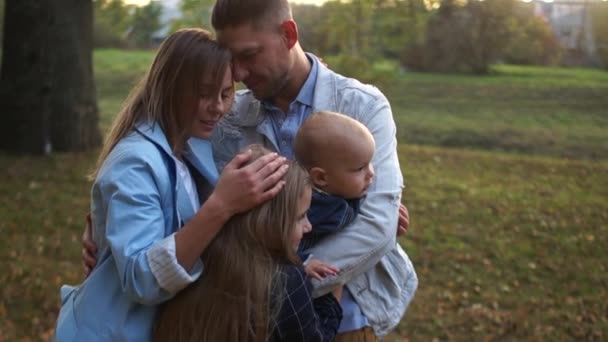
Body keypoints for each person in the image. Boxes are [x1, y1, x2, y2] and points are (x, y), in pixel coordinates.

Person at [55, 28, 287, 341]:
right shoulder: (135, 161)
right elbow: (143, 279)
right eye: (204, 94)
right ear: (170, 88)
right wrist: (221, 205)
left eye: (225, 93)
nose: (217, 107)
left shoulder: (192, 145)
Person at [209, 0, 418, 339]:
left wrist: (278, 286)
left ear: (288, 34)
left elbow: (376, 225)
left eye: (248, 55)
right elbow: (210, 213)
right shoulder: (229, 118)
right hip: (256, 327)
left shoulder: (362, 106)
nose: (238, 73)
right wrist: (101, 224)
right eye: (230, 59)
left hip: (347, 322)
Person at [154, 145, 343, 342]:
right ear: (270, 222)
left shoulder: (198, 257)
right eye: (301, 217)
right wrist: (333, 297)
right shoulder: (286, 281)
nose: (309, 226)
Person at [291, 111, 375, 281]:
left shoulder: (334, 194)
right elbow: (272, 242)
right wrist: (302, 263)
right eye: (360, 168)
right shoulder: (312, 208)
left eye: (369, 163)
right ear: (321, 178)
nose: (371, 173)